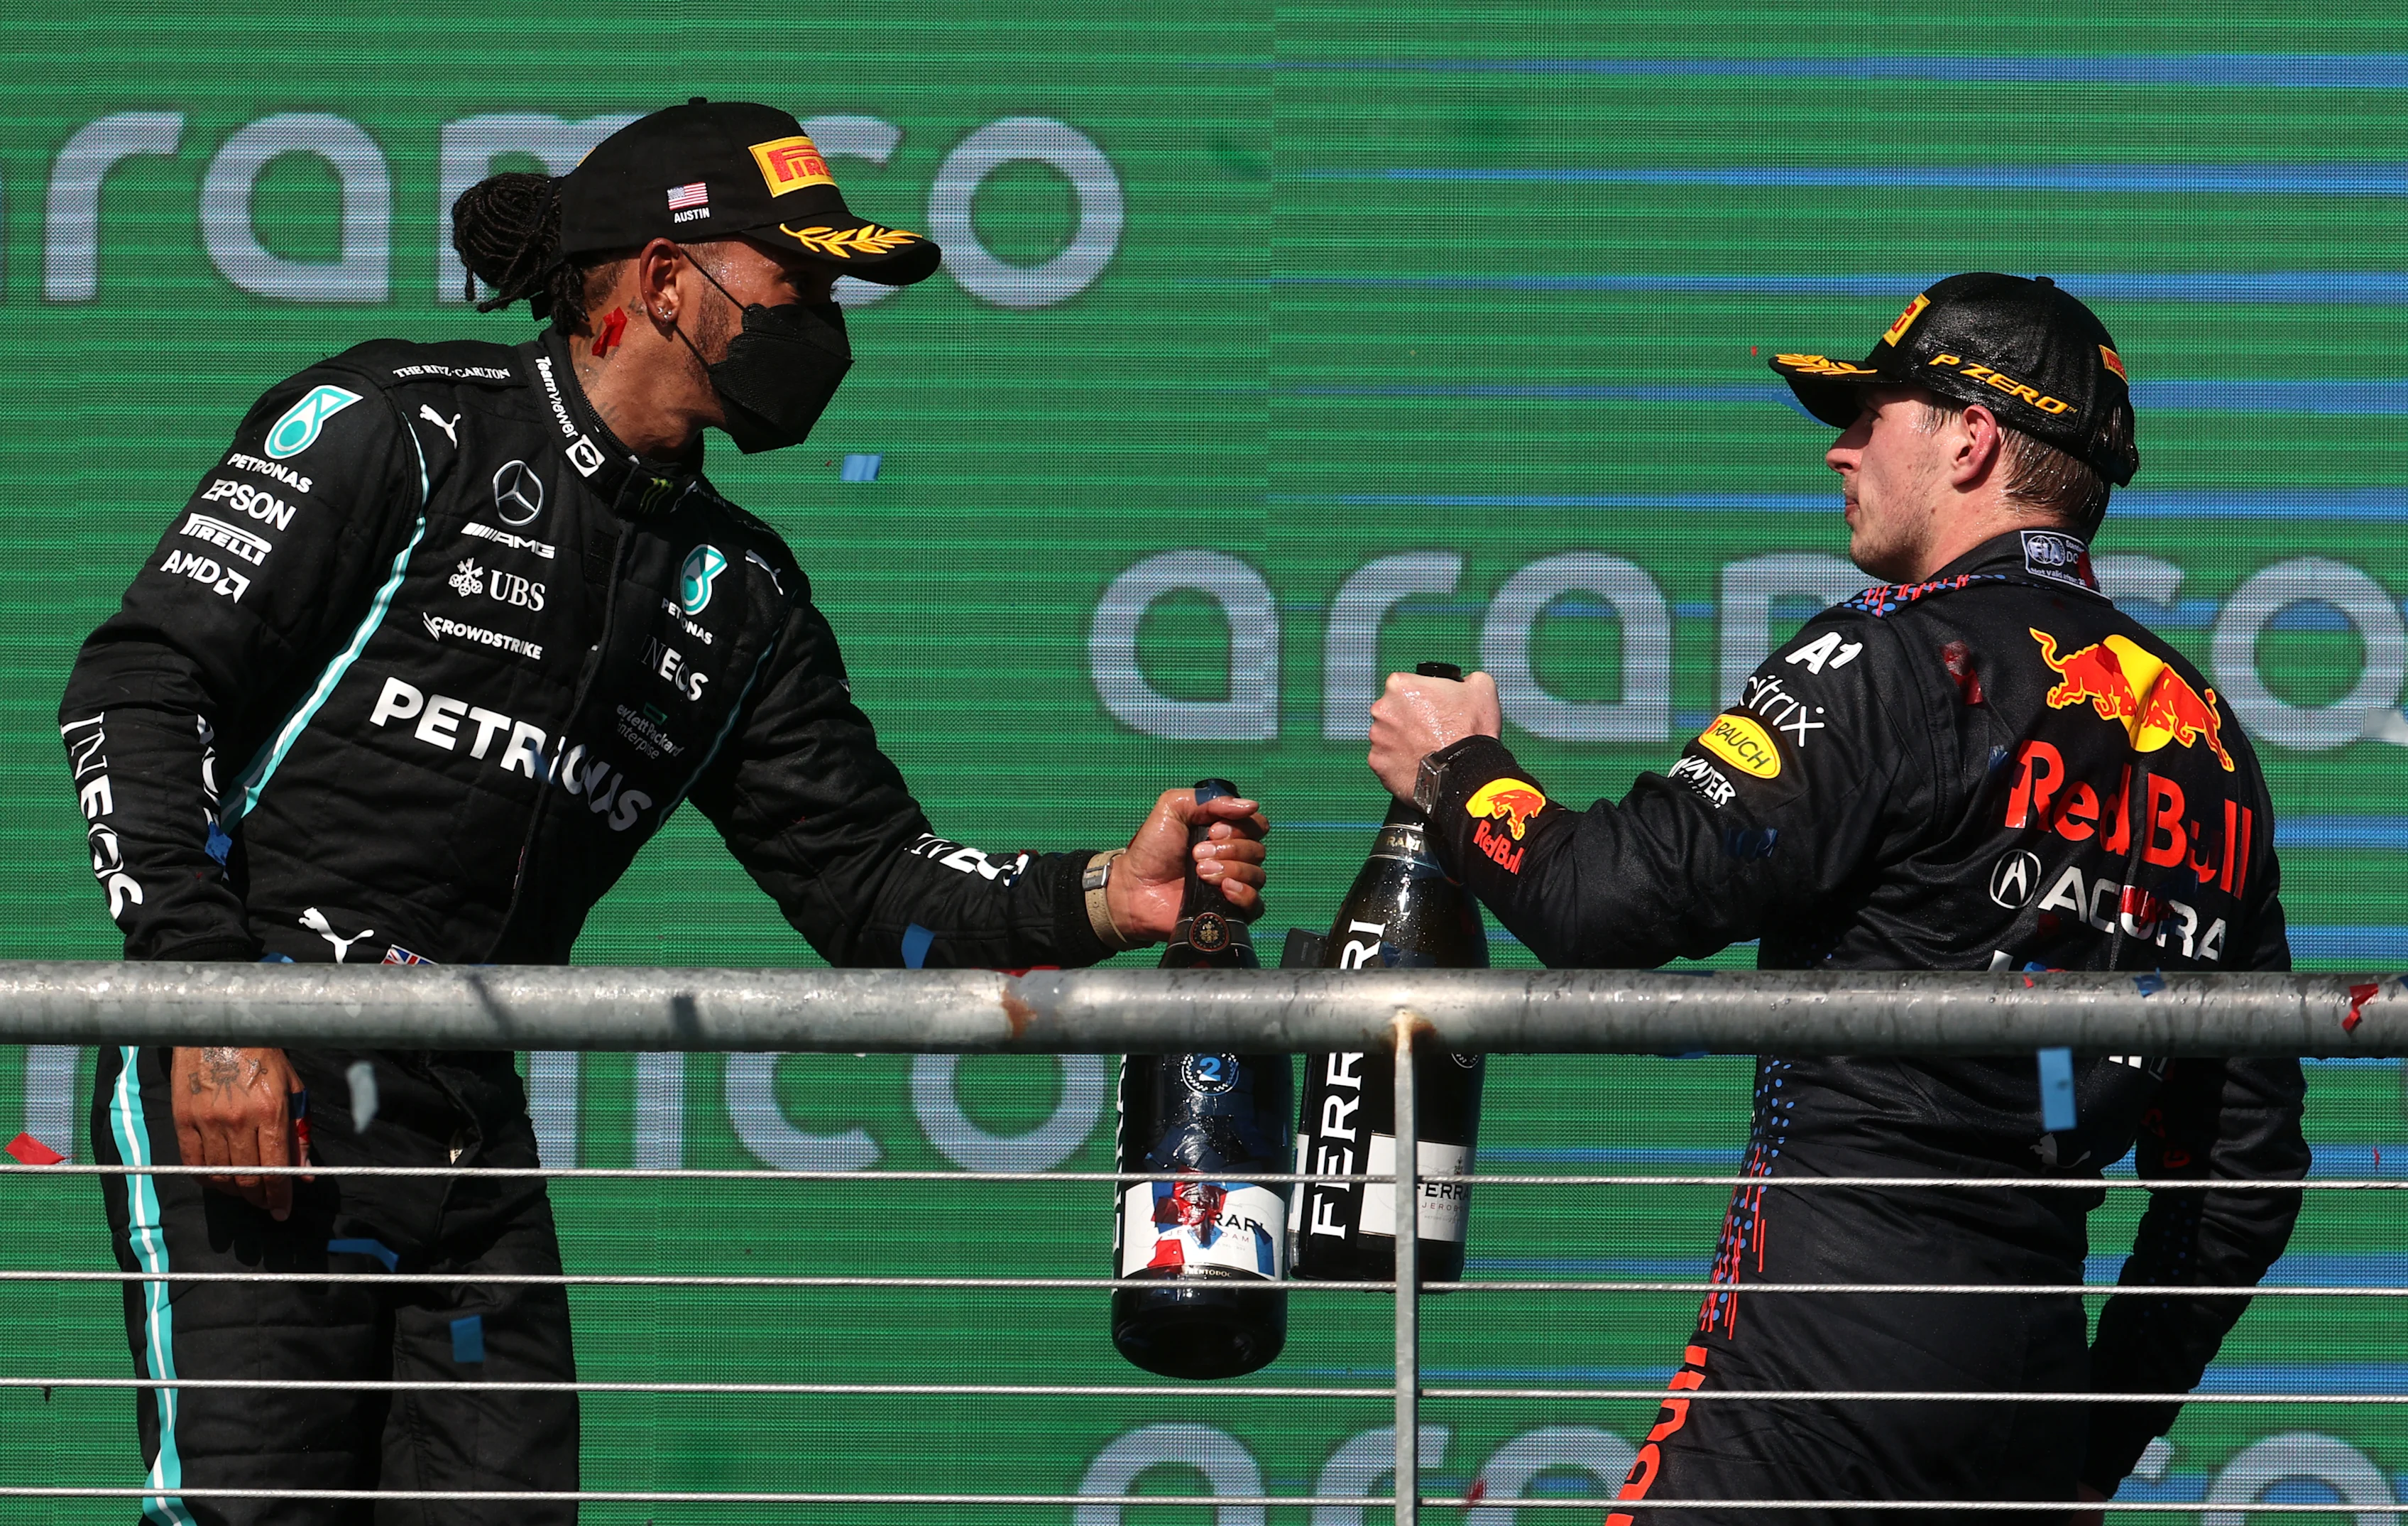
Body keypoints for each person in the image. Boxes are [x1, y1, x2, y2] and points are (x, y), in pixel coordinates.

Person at [61, 98, 1268, 1524]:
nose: (826, 326)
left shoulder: (739, 591)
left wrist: (1102, 896)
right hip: (260, 1084)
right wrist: (204, 1001)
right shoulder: (403, 427)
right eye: (797, 284)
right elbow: (138, 686)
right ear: (662, 281)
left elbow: (872, 887)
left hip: (465, 1127)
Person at [1366, 273, 2305, 1524]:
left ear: (1970, 438)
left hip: (1829, 1343)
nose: (1839, 444)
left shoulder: (1900, 651)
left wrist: (1455, 771)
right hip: (2028, 1391)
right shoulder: (2210, 739)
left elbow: (1608, 902)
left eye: (1874, 411)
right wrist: (2092, 1444)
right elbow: (2241, 1173)